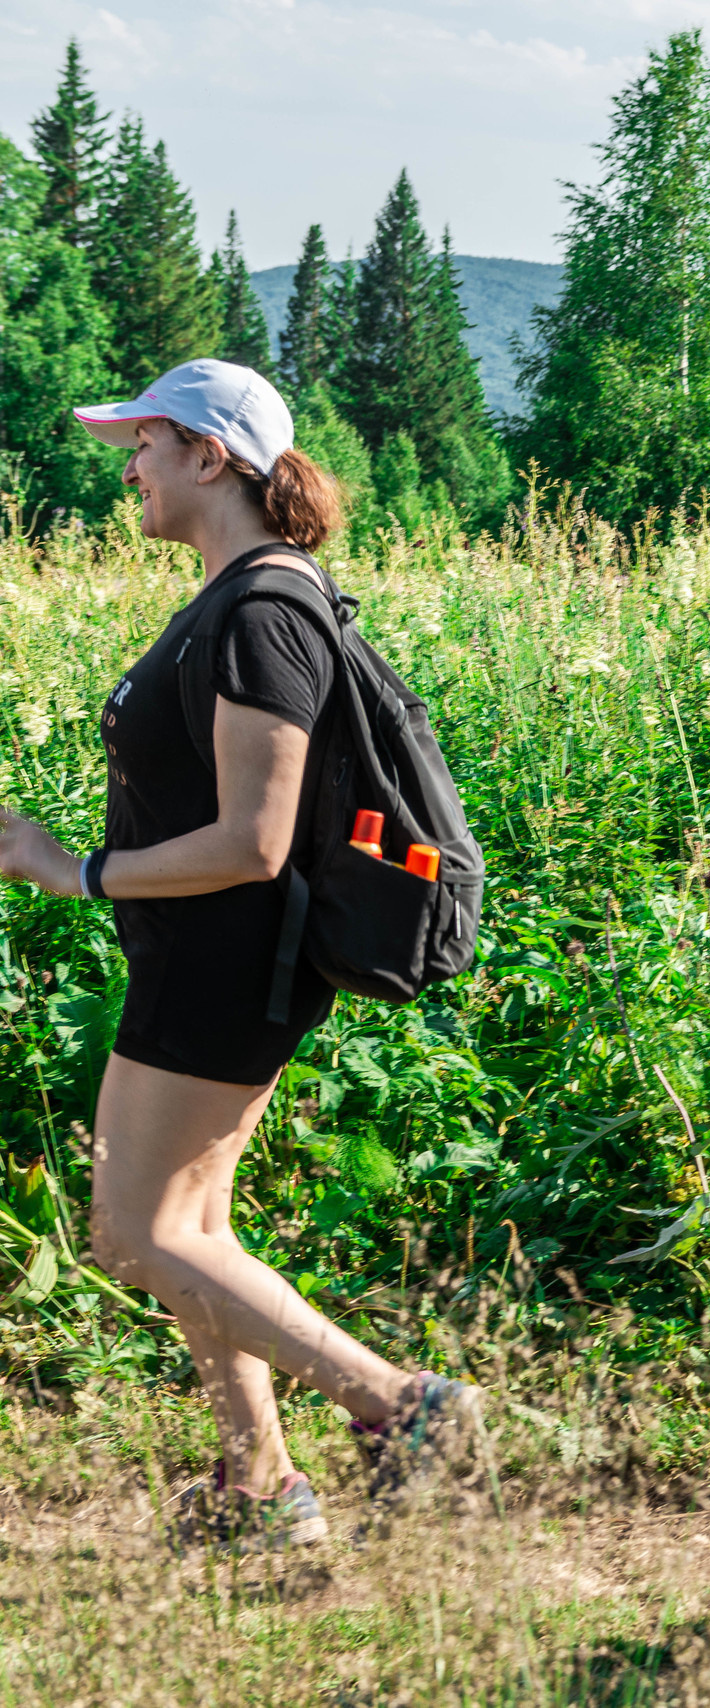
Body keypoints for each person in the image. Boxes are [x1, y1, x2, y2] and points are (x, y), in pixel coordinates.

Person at [0, 359, 483, 1555]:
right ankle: (261, 1489)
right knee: (185, 1227)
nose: (130, 468)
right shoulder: (240, 594)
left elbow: (253, 840)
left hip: (228, 962)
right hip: (199, 957)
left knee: (135, 1231)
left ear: (211, 457)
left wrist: (75, 871)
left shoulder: (265, 610)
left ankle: (402, 1405)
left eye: (147, 445)